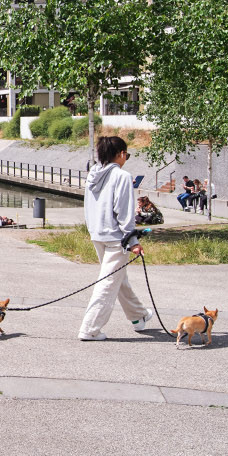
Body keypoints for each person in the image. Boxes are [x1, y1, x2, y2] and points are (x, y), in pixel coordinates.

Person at [79, 136, 151, 340]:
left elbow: (88, 206)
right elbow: (124, 212)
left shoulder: (93, 174)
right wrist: (133, 241)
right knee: (107, 283)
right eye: (126, 154)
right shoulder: (122, 176)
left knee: (117, 278)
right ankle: (90, 329)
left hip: (97, 234)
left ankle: (139, 316)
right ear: (120, 154)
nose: (126, 158)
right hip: (116, 238)